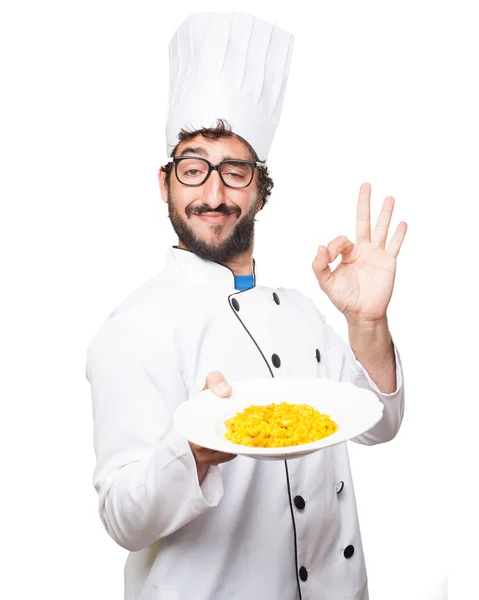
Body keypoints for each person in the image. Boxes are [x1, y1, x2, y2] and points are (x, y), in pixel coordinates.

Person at [86, 12, 407, 600]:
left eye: (234, 171)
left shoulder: (301, 311)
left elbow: (379, 424)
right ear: (165, 183)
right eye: (193, 168)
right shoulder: (134, 329)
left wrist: (367, 322)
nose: (213, 193)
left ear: (261, 188)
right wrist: (193, 453)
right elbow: (121, 518)